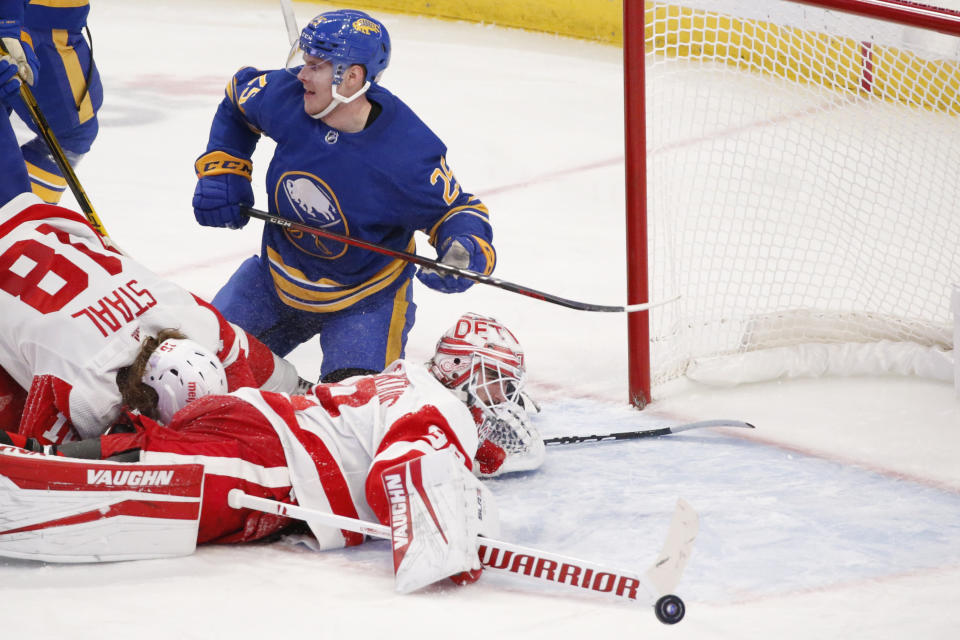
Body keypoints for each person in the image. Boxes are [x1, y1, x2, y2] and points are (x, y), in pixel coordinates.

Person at [0, 312, 545, 589]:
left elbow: (422, 445)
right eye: (498, 382)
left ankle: (20, 450)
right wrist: (447, 540)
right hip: (273, 458)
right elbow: (405, 468)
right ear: (463, 371)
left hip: (261, 429)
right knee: (158, 472)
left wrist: (471, 465)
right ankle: (24, 466)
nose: (503, 398)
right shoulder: (439, 409)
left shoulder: (406, 380)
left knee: (155, 449)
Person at [192, 9, 496, 384]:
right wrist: (225, 167)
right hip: (275, 280)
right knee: (194, 370)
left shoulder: (406, 153)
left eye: (316, 66)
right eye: (304, 62)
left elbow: (456, 210)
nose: (301, 74)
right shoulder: (287, 95)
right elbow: (237, 104)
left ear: (352, 77)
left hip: (366, 301)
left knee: (353, 414)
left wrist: (463, 248)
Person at [0, 97, 304, 442]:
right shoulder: (88, 395)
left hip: (21, 214)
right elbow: (37, 469)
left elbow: (275, 377)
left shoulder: (191, 322)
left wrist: (296, 392)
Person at [6, 0, 102, 204]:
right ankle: (16, 221)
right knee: (72, 131)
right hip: (40, 22)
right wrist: (7, 21)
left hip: (36, 19)